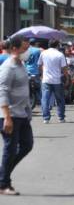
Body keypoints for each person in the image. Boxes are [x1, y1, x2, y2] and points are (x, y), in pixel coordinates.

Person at [0, 35, 33, 195]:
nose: (27, 51)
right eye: (24, 48)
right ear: (14, 49)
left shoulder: (22, 65)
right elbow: (3, 91)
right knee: (10, 149)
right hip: (9, 114)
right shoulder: (8, 67)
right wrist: (6, 117)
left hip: (22, 114)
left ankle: (2, 176)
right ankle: (3, 184)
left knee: (27, 145)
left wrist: (28, 111)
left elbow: (24, 90)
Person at [38, 39, 68, 124]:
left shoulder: (43, 53)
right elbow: (64, 68)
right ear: (57, 45)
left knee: (45, 99)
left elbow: (39, 65)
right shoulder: (60, 54)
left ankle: (46, 118)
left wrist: (42, 74)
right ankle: (61, 117)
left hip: (46, 80)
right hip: (57, 80)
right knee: (60, 99)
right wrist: (67, 78)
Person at [25, 38, 42, 103]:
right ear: (36, 43)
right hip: (36, 71)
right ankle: (40, 100)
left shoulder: (26, 50)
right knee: (38, 87)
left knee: (27, 87)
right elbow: (40, 61)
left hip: (27, 70)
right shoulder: (38, 50)